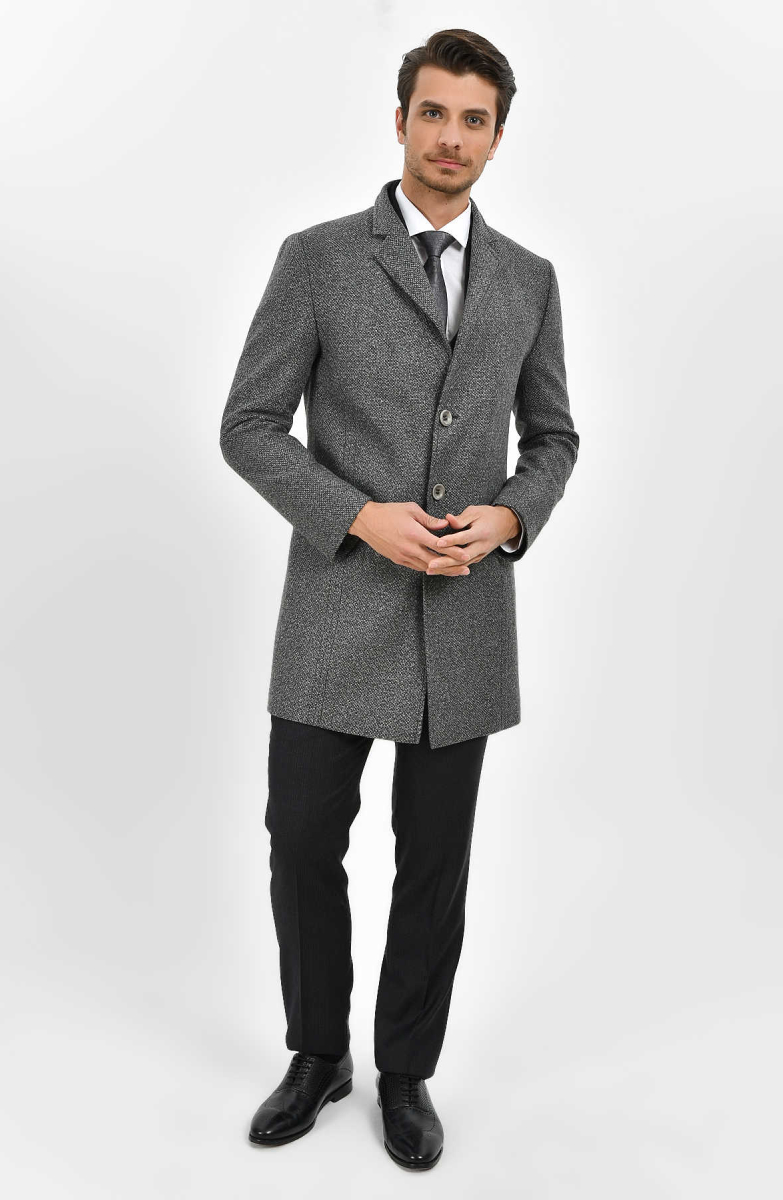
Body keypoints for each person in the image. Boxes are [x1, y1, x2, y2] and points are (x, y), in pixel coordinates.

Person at [219, 27, 579, 1169]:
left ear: (497, 137)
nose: (451, 138)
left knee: (434, 863)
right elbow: (248, 426)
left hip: (463, 619)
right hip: (336, 607)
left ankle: (406, 1072)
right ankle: (317, 1053)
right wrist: (356, 515)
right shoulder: (319, 259)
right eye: (434, 113)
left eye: (474, 120)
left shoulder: (528, 280)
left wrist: (510, 516)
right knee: (300, 840)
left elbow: (554, 437)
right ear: (400, 120)